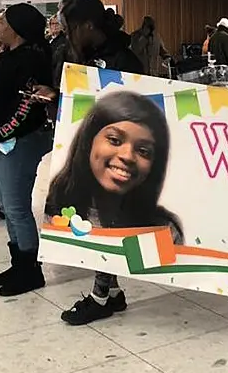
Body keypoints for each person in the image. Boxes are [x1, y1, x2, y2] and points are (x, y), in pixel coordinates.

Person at [42, 0, 161, 325]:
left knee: (104, 221)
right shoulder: (80, 55)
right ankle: (112, 292)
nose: (64, 33)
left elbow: (131, 106)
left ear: (88, 26)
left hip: (115, 156)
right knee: (95, 219)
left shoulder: (121, 58)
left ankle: (100, 297)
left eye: (68, 27)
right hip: (89, 152)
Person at [49, 92, 183, 325]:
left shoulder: (164, 229)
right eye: (114, 140)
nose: (126, 156)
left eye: (143, 151)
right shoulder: (61, 203)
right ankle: (112, 292)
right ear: (89, 139)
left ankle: (101, 297)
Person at [0, 4, 53, 297]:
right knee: (7, 204)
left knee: (17, 208)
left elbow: (27, 105)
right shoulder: (5, 54)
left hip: (15, 142)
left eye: (2, 21)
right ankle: (18, 262)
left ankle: (31, 269)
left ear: (15, 28)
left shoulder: (29, 59)